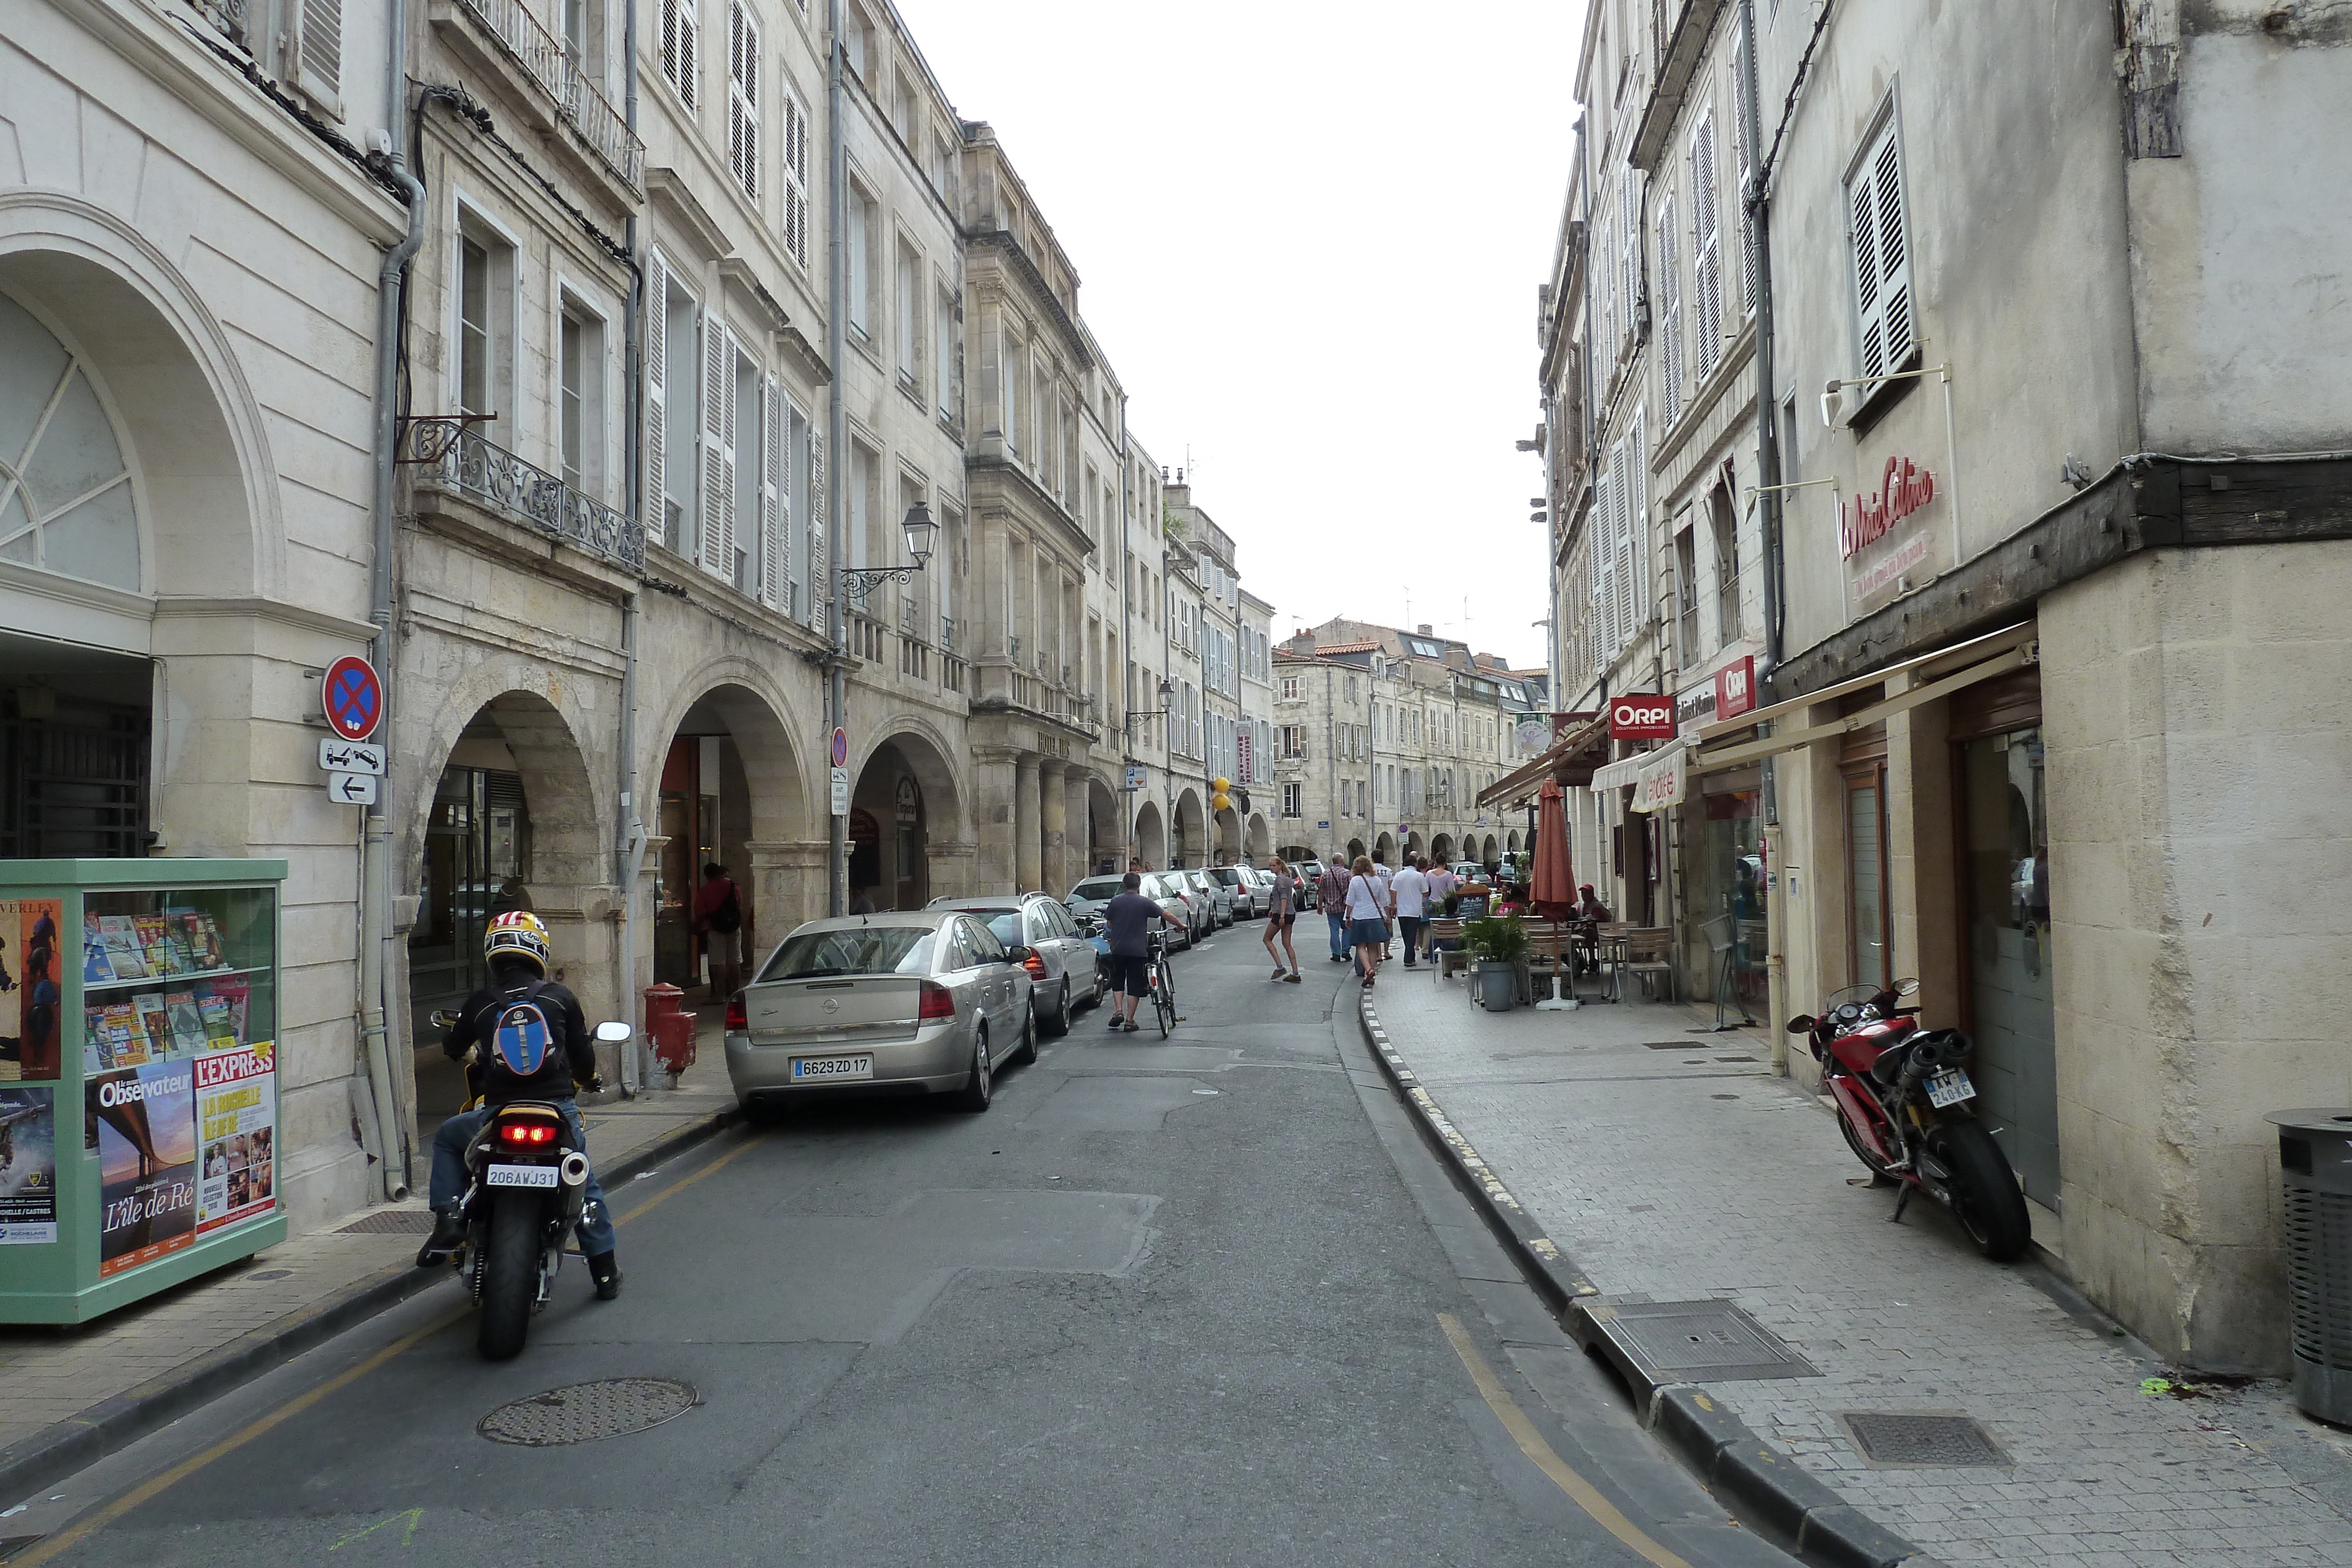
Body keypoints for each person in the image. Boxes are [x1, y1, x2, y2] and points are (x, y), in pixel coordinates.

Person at [416, 912, 620, 1299]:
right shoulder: (560, 997)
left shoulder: (480, 1003)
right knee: (585, 1183)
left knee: (446, 1137)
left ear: (494, 952)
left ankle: (448, 1217)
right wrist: (589, 1080)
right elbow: (583, 1058)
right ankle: (604, 1269)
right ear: (539, 950)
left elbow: (452, 1047)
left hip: (498, 1112)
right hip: (558, 1109)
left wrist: (469, 1046)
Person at [1102, 872, 1187, 1032]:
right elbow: (1166, 914)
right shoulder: (1144, 902)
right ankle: (1129, 1021)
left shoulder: (1115, 901)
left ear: (1124, 885)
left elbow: (1110, 924)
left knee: (1118, 980)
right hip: (1137, 951)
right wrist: (1181, 925)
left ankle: (1118, 1011)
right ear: (1139, 886)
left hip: (1118, 949)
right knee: (1134, 984)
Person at [691, 862, 745, 999]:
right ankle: (735, 992)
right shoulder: (735, 887)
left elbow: (699, 911)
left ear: (707, 875)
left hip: (714, 928)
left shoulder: (706, 889)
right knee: (735, 961)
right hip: (734, 926)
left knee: (718, 962)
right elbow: (739, 905)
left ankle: (719, 994)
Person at [1345, 855, 1391, 988]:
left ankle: (1368, 970)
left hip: (1360, 916)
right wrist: (1387, 916)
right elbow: (1384, 901)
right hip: (1375, 916)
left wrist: (1348, 917)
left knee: (1360, 946)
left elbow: (1350, 901)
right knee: (1373, 947)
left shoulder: (1355, 881)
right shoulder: (1376, 880)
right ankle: (1369, 974)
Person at [1260, 857, 1302, 982]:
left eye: (1273, 865)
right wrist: (1274, 908)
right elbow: (1282, 898)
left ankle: (1280, 967)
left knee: (1267, 939)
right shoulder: (1288, 878)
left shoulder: (1280, 879)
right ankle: (1296, 973)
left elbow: (1284, 897)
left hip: (1282, 914)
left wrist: (1281, 915)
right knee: (1287, 944)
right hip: (1290, 913)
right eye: (1270, 865)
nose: (1271, 867)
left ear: (1279, 866)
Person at [1391, 855, 1431, 968]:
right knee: (1412, 934)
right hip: (1415, 910)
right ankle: (1409, 958)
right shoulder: (1419, 876)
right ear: (1415, 864)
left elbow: (1393, 891)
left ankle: (1409, 957)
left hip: (1402, 910)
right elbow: (1425, 892)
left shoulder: (1398, 875)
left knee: (1406, 935)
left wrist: (1394, 905)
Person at [1317, 858, 1354, 964]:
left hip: (1331, 907)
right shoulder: (1347, 873)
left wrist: (1320, 905)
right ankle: (1346, 951)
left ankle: (1336, 953)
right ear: (1342, 861)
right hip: (1344, 907)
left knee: (1334, 930)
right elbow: (1352, 890)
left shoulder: (1326, 874)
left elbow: (1321, 891)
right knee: (1347, 929)